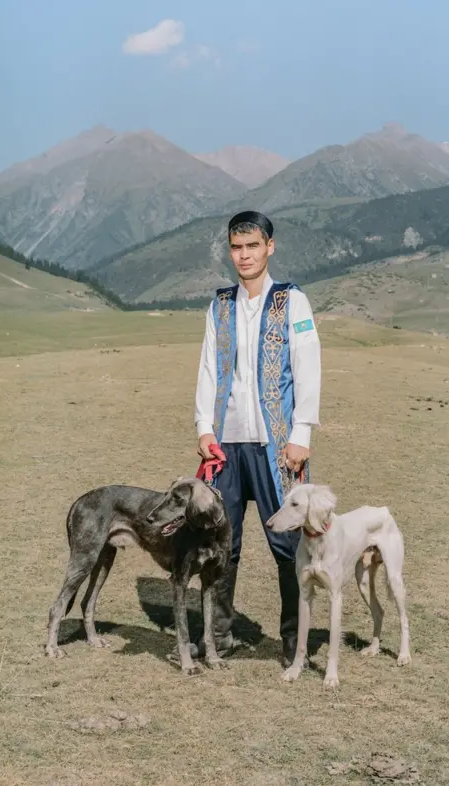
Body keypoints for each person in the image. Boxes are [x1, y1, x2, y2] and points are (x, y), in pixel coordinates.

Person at [193, 209, 321, 666]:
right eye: (236, 247)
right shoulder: (220, 304)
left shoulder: (293, 301)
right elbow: (209, 368)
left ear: (270, 246)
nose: (243, 256)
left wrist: (301, 432)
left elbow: (308, 369)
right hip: (226, 444)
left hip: (278, 444)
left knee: (288, 542)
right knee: (220, 541)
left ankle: (295, 643)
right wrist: (204, 428)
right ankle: (218, 638)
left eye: (252, 246)